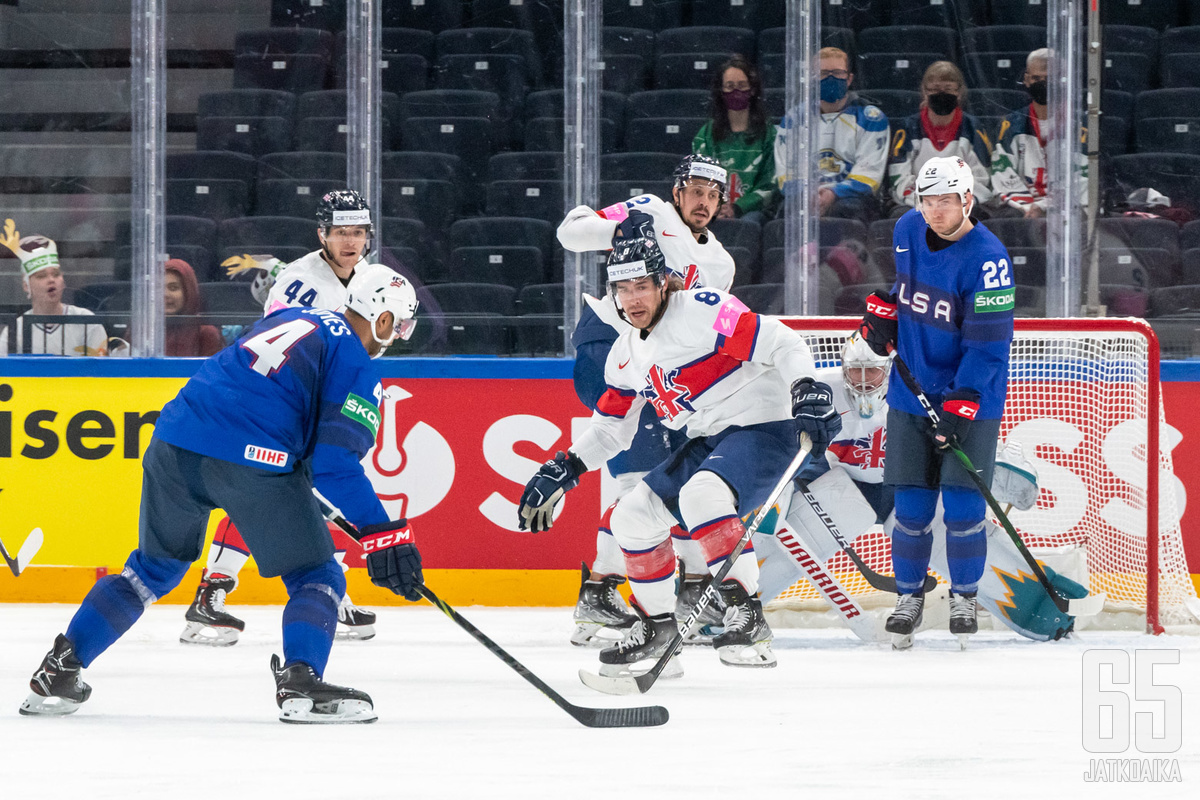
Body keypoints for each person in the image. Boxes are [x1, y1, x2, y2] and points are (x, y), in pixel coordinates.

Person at [20, 266, 424, 723]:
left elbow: (265, 387)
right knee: (317, 574)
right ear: (384, 320)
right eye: (402, 324)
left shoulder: (291, 316)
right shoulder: (357, 363)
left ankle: (60, 669)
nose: (400, 336)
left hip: (173, 440)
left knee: (151, 569)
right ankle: (302, 685)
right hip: (251, 459)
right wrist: (386, 533)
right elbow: (334, 466)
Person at [517, 230, 842, 677]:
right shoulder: (625, 354)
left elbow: (781, 340)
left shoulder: (701, 309)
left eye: (642, 286)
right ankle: (658, 628)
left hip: (769, 424)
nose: (633, 299)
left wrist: (808, 388)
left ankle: (748, 617)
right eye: (623, 288)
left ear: (663, 283)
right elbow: (611, 429)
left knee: (701, 496)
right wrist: (563, 468)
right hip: (713, 438)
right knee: (632, 515)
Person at [758, 334, 1082, 645]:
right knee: (780, 543)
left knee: (964, 544)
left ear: (889, 370)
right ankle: (728, 603)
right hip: (846, 490)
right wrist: (775, 494)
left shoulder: (918, 391)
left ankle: (1047, 611)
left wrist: (997, 462)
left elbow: (962, 433)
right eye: (854, 372)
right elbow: (776, 444)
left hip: (910, 490)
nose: (863, 380)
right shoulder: (822, 392)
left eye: (872, 371)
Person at [181, 190, 382, 645]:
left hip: (318, 397)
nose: (350, 241)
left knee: (304, 491)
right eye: (340, 232)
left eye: (358, 231)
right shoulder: (300, 281)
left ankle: (325, 592)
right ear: (322, 235)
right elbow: (287, 351)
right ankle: (211, 593)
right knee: (267, 488)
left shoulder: (369, 276)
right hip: (281, 398)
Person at [556, 154, 737, 646]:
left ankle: (613, 592)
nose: (702, 201)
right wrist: (611, 226)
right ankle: (611, 591)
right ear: (678, 191)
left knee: (671, 479)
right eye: (694, 190)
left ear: (721, 202)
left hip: (657, 370)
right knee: (650, 482)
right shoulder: (650, 211)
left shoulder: (720, 264)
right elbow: (571, 235)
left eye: (712, 194)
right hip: (610, 348)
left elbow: (706, 329)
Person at [858, 155, 1015, 647]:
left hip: (971, 398)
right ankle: (909, 599)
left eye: (945, 200)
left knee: (965, 511)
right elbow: (910, 290)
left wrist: (961, 403)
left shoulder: (988, 259)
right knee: (910, 508)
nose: (934, 210)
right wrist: (885, 312)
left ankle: (965, 598)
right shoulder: (907, 228)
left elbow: (988, 345)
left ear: (968, 199)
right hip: (910, 391)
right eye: (927, 199)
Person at [774, 47, 890, 222]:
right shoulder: (794, 119)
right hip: (806, 197)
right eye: (823, 73)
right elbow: (786, 172)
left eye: (837, 73)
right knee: (787, 211)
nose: (830, 78)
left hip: (851, 200)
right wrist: (808, 194)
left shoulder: (871, 118)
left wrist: (833, 193)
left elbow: (869, 173)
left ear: (849, 78)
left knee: (846, 210)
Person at [887, 61, 993, 218]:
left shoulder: (972, 127)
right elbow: (899, 176)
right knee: (901, 216)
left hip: (960, 204)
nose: (942, 95)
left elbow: (982, 178)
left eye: (949, 89)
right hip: (918, 202)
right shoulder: (908, 127)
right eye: (935, 89)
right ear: (924, 91)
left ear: (959, 92)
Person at [0, 220, 109, 357]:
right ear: (26, 286)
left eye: (56, 274)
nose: (51, 280)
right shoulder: (15, 331)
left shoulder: (86, 321)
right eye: (41, 276)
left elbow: (101, 372)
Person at [692, 56, 778, 224]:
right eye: (729, 87)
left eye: (742, 86)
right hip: (713, 210)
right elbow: (698, 179)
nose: (736, 92)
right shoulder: (705, 135)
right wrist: (716, 206)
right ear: (721, 92)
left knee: (747, 224)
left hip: (754, 213)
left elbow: (771, 184)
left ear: (752, 90)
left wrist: (738, 207)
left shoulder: (769, 134)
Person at [989, 48, 1051, 218]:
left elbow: (1083, 180)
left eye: (1048, 78)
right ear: (1026, 80)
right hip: (1023, 210)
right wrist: (1027, 207)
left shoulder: (1078, 126)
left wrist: (1044, 206)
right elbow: (1003, 174)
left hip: (1063, 211)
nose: (1042, 83)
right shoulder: (1010, 125)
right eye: (1036, 78)